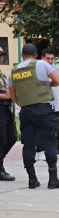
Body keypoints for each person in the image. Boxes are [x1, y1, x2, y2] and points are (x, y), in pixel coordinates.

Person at [7, 43, 59, 189]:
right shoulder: (41, 64)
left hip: (26, 111)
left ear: (22, 55)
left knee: (28, 145)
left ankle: (32, 179)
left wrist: (25, 103)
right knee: (50, 142)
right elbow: (58, 81)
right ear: (36, 55)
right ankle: (53, 179)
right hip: (44, 109)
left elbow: (13, 96)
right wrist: (46, 85)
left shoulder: (12, 72)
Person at [36, 49, 59, 161]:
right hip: (42, 104)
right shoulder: (37, 70)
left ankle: (52, 151)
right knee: (41, 129)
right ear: (42, 58)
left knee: (54, 129)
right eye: (48, 58)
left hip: (55, 103)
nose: (50, 61)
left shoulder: (56, 71)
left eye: (52, 58)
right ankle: (39, 151)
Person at [0, 47, 15, 181]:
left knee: (12, 137)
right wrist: (7, 96)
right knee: (2, 139)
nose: (1, 57)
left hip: (7, 109)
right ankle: (0, 170)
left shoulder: (2, 74)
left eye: (1, 55)